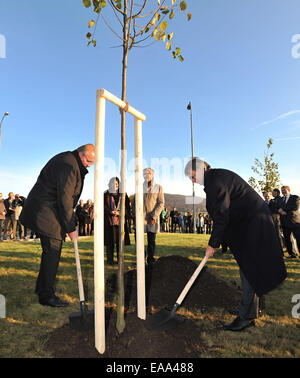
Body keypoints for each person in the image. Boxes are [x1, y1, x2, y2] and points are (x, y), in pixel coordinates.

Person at [185, 157, 287, 331]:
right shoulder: (216, 178)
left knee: (249, 267)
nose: (193, 181)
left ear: (201, 169)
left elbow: (222, 215)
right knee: (249, 266)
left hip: (253, 225)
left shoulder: (215, 181)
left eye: (192, 176)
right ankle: (252, 308)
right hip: (249, 225)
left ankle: (246, 315)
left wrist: (213, 244)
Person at [20, 144, 95, 307]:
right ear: (81, 155)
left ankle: (43, 288)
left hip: (48, 211)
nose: (90, 165)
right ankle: (46, 296)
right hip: (46, 212)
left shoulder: (70, 161)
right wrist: (71, 228)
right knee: (53, 251)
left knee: (49, 252)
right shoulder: (68, 165)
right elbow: (65, 199)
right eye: (89, 161)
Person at [134, 168, 164, 264]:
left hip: (151, 219)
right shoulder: (139, 187)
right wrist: (135, 215)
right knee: (139, 240)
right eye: (144, 174)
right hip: (140, 218)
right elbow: (135, 202)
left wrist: (154, 216)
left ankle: (150, 260)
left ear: (152, 175)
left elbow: (161, 203)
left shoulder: (158, 187)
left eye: (149, 173)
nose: (147, 175)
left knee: (151, 241)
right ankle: (141, 258)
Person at [104, 177, 130, 265]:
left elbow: (127, 208)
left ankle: (120, 260)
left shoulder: (123, 194)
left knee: (120, 242)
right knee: (110, 242)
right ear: (110, 184)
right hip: (109, 221)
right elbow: (103, 206)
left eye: (116, 184)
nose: (115, 185)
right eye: (113, 183)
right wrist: (110, 212)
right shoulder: (105, 194)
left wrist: (120, 213)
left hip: (120, 222)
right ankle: (110, 260)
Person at [278, 186, 300, 258]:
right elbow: (277, 207)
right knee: (288, 240)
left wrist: (282, 210)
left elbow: (295, 207)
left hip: (295, 222)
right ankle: (292, 254)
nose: (283, 191)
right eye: (282, 190)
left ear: (289, 190)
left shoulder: (295, 197)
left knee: (299, 239)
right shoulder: (280, 199)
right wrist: (279, 210)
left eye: (284, 190)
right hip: (284, 222)